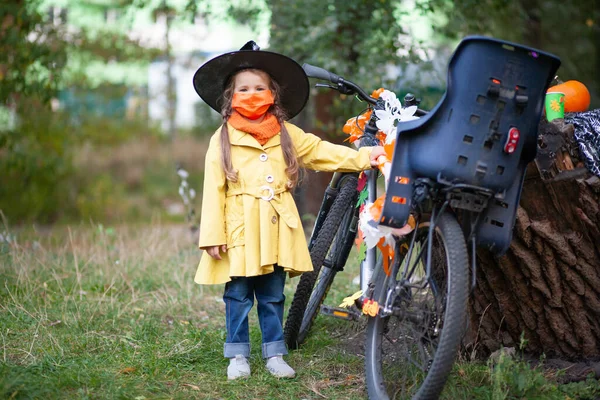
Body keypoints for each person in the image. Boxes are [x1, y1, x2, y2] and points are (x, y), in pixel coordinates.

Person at [192, 40, 385, 380]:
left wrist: (362, 157)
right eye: (244, 89)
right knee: (237, 295)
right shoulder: (222, 138)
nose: (252, 94)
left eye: (260, 88)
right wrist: (211, 235)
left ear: (273, 94)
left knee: (272, 294)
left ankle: (275, 353)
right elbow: (213, 189)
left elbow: (324, 152)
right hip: (239, 229)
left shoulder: (287, 134)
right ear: (231, 96)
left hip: (275, 229)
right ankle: (238, 356)